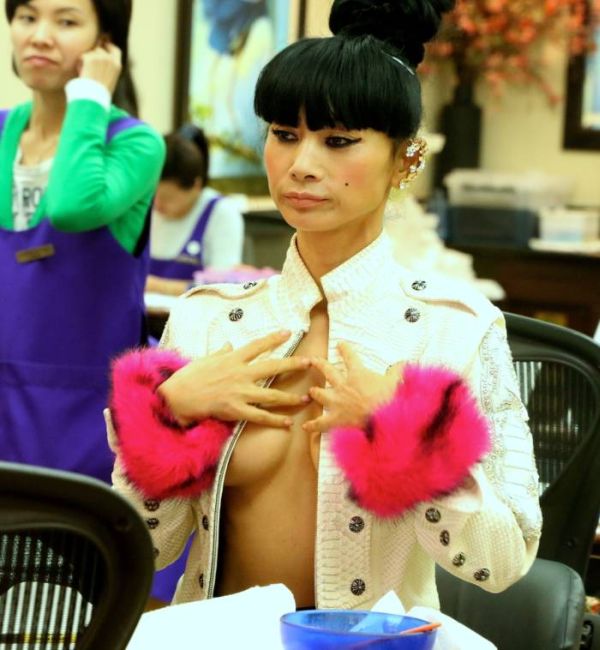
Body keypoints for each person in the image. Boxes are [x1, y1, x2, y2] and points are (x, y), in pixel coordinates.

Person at [107, 0, 542, 611]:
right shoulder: (206, 318)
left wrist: (406, 435)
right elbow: (142, 549)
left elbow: (503, 563)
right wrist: (169, 413)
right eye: (285, 135)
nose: (302, 166)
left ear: (405, 158)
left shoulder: (456, 331)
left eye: (339, 141)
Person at [0, 0, 165, 483]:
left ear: (105, 42)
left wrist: (91, 94)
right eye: (27, 17)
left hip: (83, 420)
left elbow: (72, 207)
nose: (40, 35)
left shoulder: (135, 144)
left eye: (66, 21)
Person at [146, 124, 245, 297]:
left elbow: (223, 288)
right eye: (152, 196)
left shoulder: (221, 213)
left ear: (196, 186)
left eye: (167, 199)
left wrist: (153, 285)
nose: (157, 205)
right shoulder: (145, 208)